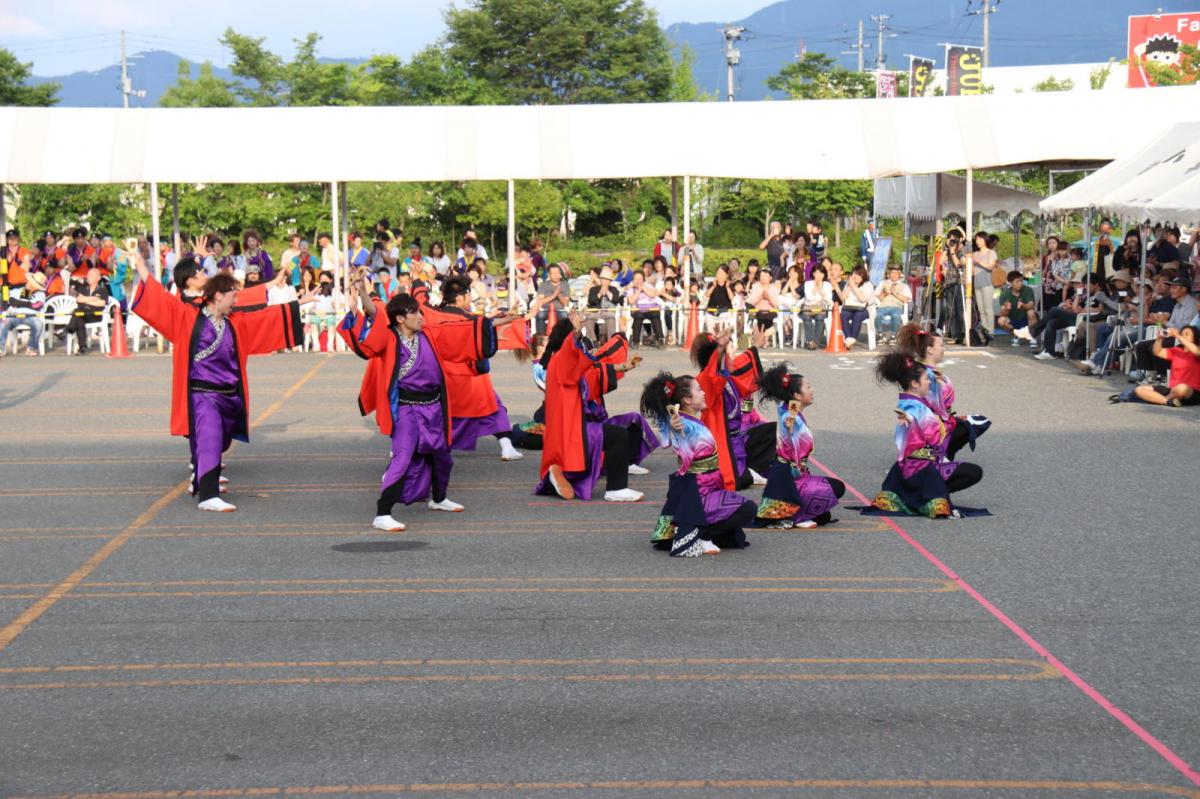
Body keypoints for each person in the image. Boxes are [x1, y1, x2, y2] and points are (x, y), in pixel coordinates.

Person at [130, 253, 308, 511]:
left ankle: (201, 479)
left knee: (220, 440)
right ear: (217, 296)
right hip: (201, 393)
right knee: (208, 436)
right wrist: (141, 266)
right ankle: (208, 495)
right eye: (232, 295)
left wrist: (296, 305)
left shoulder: (234, 321)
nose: (237, 299)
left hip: (228, 393)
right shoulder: (186, 315)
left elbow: (263, 318)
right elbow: (158, 299)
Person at [340, 274, 502, 531]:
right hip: (406, 409)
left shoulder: (429, 335)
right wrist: (361, 296)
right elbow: (375, 315)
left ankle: (438, 498)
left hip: (434, 407)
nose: (421, 316)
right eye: (414, 313)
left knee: (443, 457)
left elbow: (460, 332)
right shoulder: (390, 338)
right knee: (402, 457)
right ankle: (383, 513)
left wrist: (490, 325)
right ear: (400, 318)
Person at [642, 371, 757, 557]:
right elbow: (671, 436)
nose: (704, 392)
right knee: (749, 509)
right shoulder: (682, 423)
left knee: (744, 509)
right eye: (699, 390)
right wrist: (673, 425)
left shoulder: (693, 420)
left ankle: (700, 530)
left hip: (708, 486)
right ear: (687, 399)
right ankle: (700, 534)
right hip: (697, 490)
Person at [535, 312, 644, 503]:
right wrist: (576, 332)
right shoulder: (562, 359)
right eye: (577, 340)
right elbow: (584, 363)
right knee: (619, 435)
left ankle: (557, 476)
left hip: (568, 427)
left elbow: (594, 369)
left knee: (615, 433)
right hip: (572, 429)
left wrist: (625, 367)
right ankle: (616, 488)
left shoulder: (559, 363)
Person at [421, 275, 524, 461]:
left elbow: (419, 298)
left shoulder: (431, 313)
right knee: (494, 408)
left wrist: (417, 280)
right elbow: (486, 325)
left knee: (439, 416)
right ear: (459, 298)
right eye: (469, 294)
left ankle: (410, 448)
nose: (471, 298)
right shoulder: (470, 319)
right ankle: (507, 447)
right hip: (469, 376)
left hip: (441, 377)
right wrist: (509, 318)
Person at [870, 351, 983, 518]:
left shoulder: (916, 402)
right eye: (926, 379)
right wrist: (914, 422)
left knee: (967, 435)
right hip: (921, 468)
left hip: (922, 464)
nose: (929, 381)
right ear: (915, 383)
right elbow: (932, 435)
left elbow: (938, 404)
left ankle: (921, 493)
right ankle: (922, 496)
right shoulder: (912, 408)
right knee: (974, 472)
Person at [754, 363, 843, 529]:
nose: (812, 390)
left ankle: (800, 510)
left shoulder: (790, 407)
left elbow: (787, 405)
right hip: (788, 477)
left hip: (796, 474)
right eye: (808, 387)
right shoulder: (790, 417)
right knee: (837, 488)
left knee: (823, 515)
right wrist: (789, 423)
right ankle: (796, 514)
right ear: (797, 395)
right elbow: (789, 423)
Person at [691, 324, 774, 491]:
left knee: (772, 431)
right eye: (727, 355)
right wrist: (720, 348)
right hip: (722, 443)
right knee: (736, 480)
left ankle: (750, 470)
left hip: (738, 439)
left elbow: (743, 364)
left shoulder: (727, 376)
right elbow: (714, 372)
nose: (731, 357)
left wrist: (756, 345)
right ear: (716, 359)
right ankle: (748, 473)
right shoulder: (706, 381)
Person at [895, 323, 990, 460]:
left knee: (976, 422)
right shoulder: (927, 375)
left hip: (939, 421)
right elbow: (924, 405)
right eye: (941, 345)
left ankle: (942, 452)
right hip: (933, 426)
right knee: (975, 422)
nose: (944, 349)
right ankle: (937, 453)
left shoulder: (925, 371)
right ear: (930, 350)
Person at [1130, 277, 1199, 381]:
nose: (1171, 290)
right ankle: (1150, 375)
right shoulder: (1177, 304)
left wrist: (1164, 322)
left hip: (1184, 339)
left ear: (1184, 289)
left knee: (1155, 346)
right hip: (1173, 335)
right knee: (1142, 345)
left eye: (1174, 287)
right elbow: (1171, 324)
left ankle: (1162, 376)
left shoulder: (1192, 304)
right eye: (1171, 287)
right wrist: (1159, 321)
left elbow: (1185, 328)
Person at [1113, 326, 1200, 406]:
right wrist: (1159, 339)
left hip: (1191, 391)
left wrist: (1178, 335)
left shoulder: (1196, 350)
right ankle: (1168, 402)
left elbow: (1197, 352)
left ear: (1194, 338)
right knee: (1139, 389)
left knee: (1182, 388)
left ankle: (1165, 399)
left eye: (1187, 334)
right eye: (1182, 333)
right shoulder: (1177, 350)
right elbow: (1157, 352)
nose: (1183, 335)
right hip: (1172, 389)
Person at [63, 267, 110, 355]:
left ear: (98, 278)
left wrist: (86, 301)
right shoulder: (83, 288)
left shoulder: (102, 289)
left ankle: (68, 329)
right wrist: (93, 299)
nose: (88, 277)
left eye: (91, 275)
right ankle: (82, 347)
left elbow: (101, 303)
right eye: (88, 275)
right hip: (82, 314)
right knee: (78, 318)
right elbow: (79, 299)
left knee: (77, 311)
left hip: (95, 315)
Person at [0, 270, 46, 357]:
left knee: (38, 324)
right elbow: (11, 301)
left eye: (32, 283)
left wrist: (20, 303)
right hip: (14, 315)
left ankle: (31, 348)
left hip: (31, 317)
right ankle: (0, 348)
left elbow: (37, 305)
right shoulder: (19, 290)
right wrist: (28, 304)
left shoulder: (40, 294)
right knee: (3, 323)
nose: (28, 283)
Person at [835, 265, 874, 349]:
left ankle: (852, 339)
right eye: (854, 274)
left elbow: (862, 299)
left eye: (858, 274)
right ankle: (849, 338)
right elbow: (842, 298)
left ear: (863, 275)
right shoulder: (849, 284)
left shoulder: (868, 285)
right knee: (843, 315)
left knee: (858, 315)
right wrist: (848, 286)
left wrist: (853, 286)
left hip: (864, 309)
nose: (855, 276)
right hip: (850, 308)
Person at [996, 270, 1039, 346]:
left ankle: (1032, 337)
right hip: (1014, 320)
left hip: (1026, 320)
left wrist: (1023, 305)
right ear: (1010, 283)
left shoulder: (1028, 290)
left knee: (1031, 312)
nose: (1020, 283)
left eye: (1021, 281)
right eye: (1017, 281)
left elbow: (1031, 305)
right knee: (1001, 320)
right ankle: (1017, 336)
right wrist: (1007, 308)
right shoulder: (1004, 294)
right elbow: (1003, 313)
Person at [585, 265, 623, 342]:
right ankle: (593, 341)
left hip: (608, 311)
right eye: (603, 279)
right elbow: (590, 301)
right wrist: (599, 294)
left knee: (611, 317)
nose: (605, 281)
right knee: (589, 319)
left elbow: (617, 300)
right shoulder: (594, 289)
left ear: (610, 281)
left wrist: (608, 293)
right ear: (600, 279)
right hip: (596, 311)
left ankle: (611, 341)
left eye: (607, 279)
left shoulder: (614, 289)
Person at [626, 270, 664, 348]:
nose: (638, 281)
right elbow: (630, 301)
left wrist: (643, 288)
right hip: (638, 310)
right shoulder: (631, 289)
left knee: (655, 314)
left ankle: (660, 339)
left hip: (650, 309)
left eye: (640, 279)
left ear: (643, 280)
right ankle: (635, 341)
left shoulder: (648, 286)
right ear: (633, 280)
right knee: (638, 315)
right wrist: (638, 291)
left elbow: (653, 294)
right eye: (636, 279)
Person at [800, 262, 833, 349]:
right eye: (817, 273)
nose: (819, 275)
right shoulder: (808, 284)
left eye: (821, 273)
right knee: (806, 317)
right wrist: (816, 286)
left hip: (821, 308)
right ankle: (810, 341)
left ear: (824, 274)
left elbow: (828, 299)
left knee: (820, 317)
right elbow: (809, 298)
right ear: (813, 273)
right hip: (808, 307)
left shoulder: (827, 285)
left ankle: (815, 342)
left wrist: (820, 289)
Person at [875, 264, 911, 343]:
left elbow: (907, 300)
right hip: (883, 306)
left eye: (896, 273)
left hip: (896, 307)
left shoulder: (904, 286)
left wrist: (895, 293)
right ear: (889, 274)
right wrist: (885, 292)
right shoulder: (882, 283)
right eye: (892, 273)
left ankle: (893, 336)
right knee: (877, 316)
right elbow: (877, 297)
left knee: (896, 316)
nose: (893, 275)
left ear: (899, 274)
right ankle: (881, 335)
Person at [534, 263, 571, 335]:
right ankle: (540, 337)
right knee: (539, 316)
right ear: (549, 275)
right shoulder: (543, 285)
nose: (556, 275)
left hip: (560, 309)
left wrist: (559, 294)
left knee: (565, 317)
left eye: (557, 273)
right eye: (553, 273)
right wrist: (553, 296)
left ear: (560, 274)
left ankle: (564, 338)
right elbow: (540, 301)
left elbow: (566, 303)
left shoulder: (565, 284)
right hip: (545, 309)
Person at [747, 267, 780, 334]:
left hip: (770, 312)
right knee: (761, 315)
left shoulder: (774, 288)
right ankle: (765, 337)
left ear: (770, 278)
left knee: (767, 315)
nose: (763, 278)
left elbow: (776, 304)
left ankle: (764, 337)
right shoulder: (755, 286)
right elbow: (751, 302)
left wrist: (769, 298)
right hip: (758, 311)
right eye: (761, 276)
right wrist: (760, 297)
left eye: (765, 276)